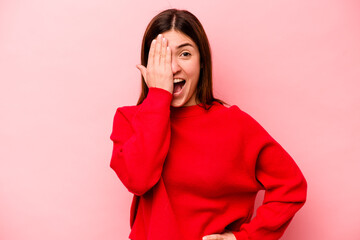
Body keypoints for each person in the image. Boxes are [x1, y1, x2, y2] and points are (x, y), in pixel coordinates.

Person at [109, 8, 307, 240]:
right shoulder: (129, 120)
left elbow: (291, 187)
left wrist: (242, 238)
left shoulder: (235, 124)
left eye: (184, 54)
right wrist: (158, 95)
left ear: (202, 61)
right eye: (162, 57)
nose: (172, 68)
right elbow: (139, 180)